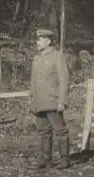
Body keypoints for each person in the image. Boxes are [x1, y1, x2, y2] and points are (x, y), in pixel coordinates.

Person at [28, 29, 70, 169]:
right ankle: (45, 159)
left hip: (53, 101)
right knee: (43, 131)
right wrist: (32, 101)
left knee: (60, 131)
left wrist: (62, 101)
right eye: (37, 39)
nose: (37, 42)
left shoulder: (57, 57)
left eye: (40, 39)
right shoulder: (36, 59)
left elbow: (64, 79)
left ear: (49, 41)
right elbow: (33, 83)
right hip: (40, 102)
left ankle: (65, 159)